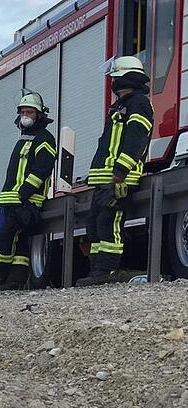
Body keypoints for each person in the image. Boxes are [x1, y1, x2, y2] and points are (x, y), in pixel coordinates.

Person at [77, 56, 154, 286]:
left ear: (123, 77)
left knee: (109, 224)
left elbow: (136, 139)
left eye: (114, 77)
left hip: (118, 178)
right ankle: (96, 272)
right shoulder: (120, 106)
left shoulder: (138, 103)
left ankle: (105, 273)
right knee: (94, 226)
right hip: (105, 179)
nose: (112, 82)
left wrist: (120, 172)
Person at [0, 91, 57, 290]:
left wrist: (24, 193)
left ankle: (1, 279)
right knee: (18, 244)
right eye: (23, 112)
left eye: (29, 112)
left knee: (6, 241)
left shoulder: (44, 138)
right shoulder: (24, 139)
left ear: (39, 115)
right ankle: (13, 282)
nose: (25, 116)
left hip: (26, 201)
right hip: (12, 200)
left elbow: (43, 168)